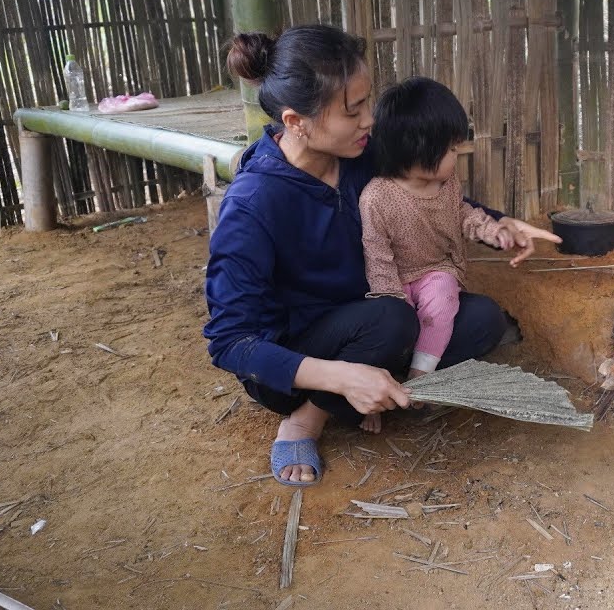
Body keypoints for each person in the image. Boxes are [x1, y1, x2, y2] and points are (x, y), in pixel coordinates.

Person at [203, 25, 559, 487]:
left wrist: (500, 226)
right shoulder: (253, 204)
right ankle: (307, 418)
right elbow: (231, 342)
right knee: (391, 320)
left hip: (381, 311)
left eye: (368, 102)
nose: (370, 120)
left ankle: (382, 388)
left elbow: (429, 191)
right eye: (353, 111)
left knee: (480, 320)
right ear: (295, 122)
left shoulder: (363, 155)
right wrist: (339, 375)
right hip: (300, 356)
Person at [357, 77, 521, 430]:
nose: (457, 157)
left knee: (444, 299)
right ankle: (372, 397)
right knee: (386, 327)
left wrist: (492, 230)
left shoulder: (448, 185)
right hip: (393, 282)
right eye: (451, 150)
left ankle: (420, 378)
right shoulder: (376, 197)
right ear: (417, 149)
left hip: (434, 271)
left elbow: (464, 213)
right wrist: (391, 300)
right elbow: (377, 254)